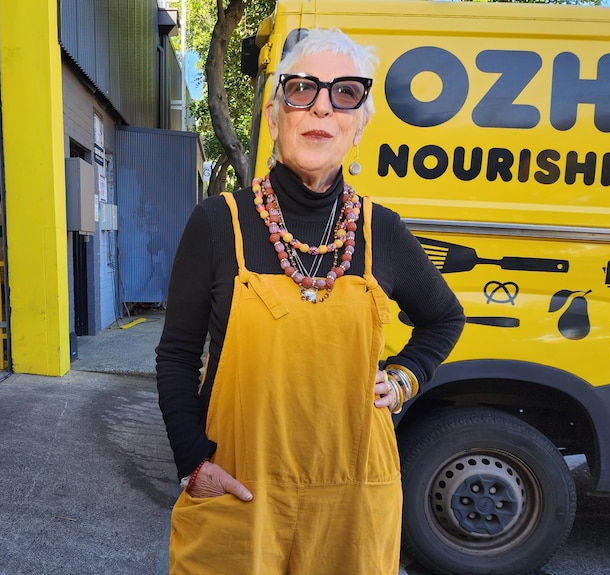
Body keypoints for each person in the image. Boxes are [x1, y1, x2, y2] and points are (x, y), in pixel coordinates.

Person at [155, 28, 465, 575]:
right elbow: (176, 357)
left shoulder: (382, 231)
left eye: (345, 93)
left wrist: (402, 380)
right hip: (241, 497)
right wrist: (191, 462)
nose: (321, 105)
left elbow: (444, 317)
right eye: (301, 89)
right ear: (274, 116)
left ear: (359, 126)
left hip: (352, 505)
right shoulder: (217, 223)